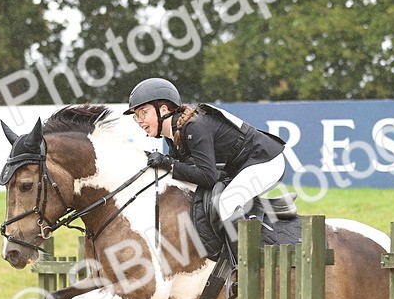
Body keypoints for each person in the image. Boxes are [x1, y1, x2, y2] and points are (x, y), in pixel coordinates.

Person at [123, 77, 287, 228]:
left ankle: (245, 258)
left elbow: (208, 177)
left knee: (227, 204)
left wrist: (168, 163)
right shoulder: (174, 133)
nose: (139, 120)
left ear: (163, 110)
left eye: (143, 112)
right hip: (242, 166)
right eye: (136, 116)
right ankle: (268, 208)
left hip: (265, 161)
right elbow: (188, 172)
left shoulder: (194, 126)